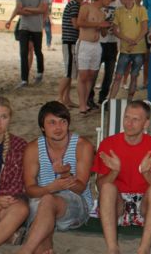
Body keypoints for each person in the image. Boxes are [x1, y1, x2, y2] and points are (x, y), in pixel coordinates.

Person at [92, 100, 151, 254]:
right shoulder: (108, 144)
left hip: (146, 206)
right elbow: (100, 186)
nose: (129, 123)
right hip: (117, 204)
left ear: (146, 123)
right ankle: (113, 249)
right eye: (126, 118)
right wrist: (114, 172)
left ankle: (143, 250)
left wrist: (147, 173)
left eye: (135, 119)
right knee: (107, 188)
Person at [19, 101, 94, 254]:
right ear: (42, 127)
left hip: (75, 204)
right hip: (41, 201)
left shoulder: (82, 146)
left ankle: (25, 251)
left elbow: (80, 188)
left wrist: (65, 175)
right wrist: (50, 188)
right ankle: (45, 248)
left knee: (47, 201)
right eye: (52, 123)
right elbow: (30, 190)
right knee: (44, 206)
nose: (58, 127)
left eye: (63, 121)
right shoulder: (33, 148)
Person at [0, 97, 29, 251]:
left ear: (10, 119)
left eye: (4, 117)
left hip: (5, 202)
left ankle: (3, 234)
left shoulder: (19, 145)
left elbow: (17, 187)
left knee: (21, 209)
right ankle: (7, 235)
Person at [5, 0, 47, 88]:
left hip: (37, 27)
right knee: (23, 53)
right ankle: (24, 79)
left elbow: (42, 9)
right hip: (24, 26)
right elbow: (18, 9)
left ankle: (40, 72)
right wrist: (10, 19)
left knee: (38, 51)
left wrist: (27, 9)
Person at [76, 0, 112, 115]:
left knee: (91, 75)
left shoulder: (102, 13)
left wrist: (106, 26)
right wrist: (98, 24)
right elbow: (79, 22)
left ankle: (85, 103)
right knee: (83, 75)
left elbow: (103, 33)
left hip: (97, 45)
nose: (110, 0)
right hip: (85, 44)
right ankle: (81, 105)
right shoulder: (86, 7)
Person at [109, 0, 148, 102]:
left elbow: (145, 29)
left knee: (134, 76)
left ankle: (129, 102)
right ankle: (110, 101)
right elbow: (115, 30)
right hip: (125, 49)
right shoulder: (119, 11)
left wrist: (135, 41)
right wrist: (127, 40)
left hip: (139, 50)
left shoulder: (141, 10)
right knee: (118, 76)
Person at [89, 0, 123, 107]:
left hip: (113, 43)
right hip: (99, 42)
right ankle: (89, 98)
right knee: (94, 72)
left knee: (109, 74)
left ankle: (103, 99)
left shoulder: (120, 3)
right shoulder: (101, 1)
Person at [57, 0, 90, 107]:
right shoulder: (75, 5)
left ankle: (66, 98)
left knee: (71, 73)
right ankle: (59, 98)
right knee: (68, 72)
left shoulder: (77, 4)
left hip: (72, 42)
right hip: (69, 41)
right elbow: (76, 24)